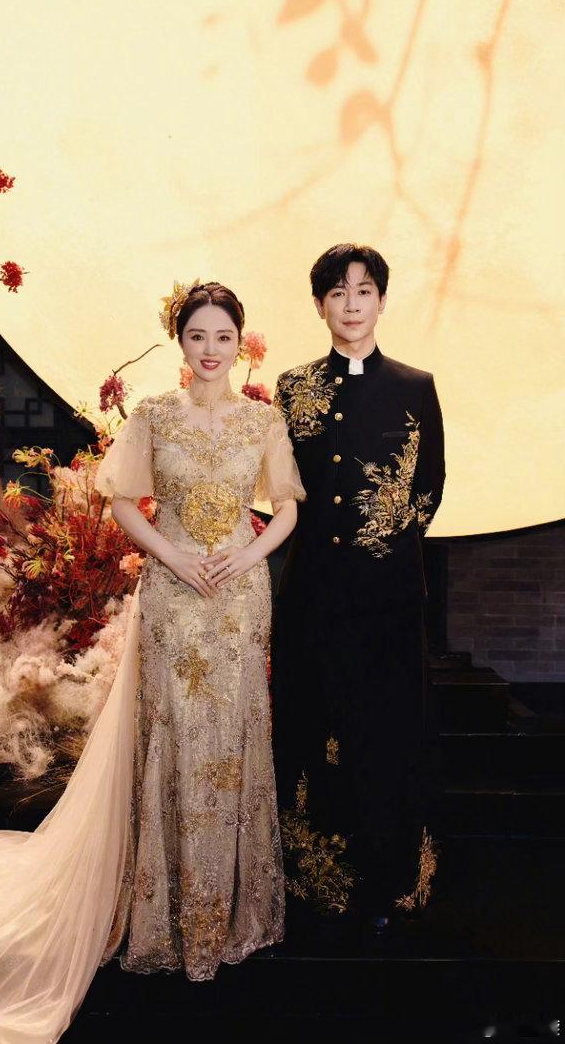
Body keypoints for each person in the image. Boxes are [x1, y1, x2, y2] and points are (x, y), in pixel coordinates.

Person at [0, 281, 305, 1042]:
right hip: (174, 595)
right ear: (181, 341)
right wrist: (175, 558)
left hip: (237, 599)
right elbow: (124, 503)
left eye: (224, 337)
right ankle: (163, 914)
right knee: (172, 740)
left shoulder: (263, 420)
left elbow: (286, 506)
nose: (211, 349)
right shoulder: (154, 416)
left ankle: (229, 914)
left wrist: (247, 555)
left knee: (233, 742)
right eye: (198, 335)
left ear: (239, 342)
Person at [271, 243, 445, 931]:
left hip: (387, 598)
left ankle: (386, 883)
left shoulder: (414, 385)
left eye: (364, 290)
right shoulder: (293, 387)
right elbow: (283, 486)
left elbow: (428, 487)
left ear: (382, 300)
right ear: (320, 305)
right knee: (310, 727)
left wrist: (380, 546)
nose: (351, 304)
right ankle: (310, 882)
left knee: (385, 734)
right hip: (312, 594)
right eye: (337, 292)